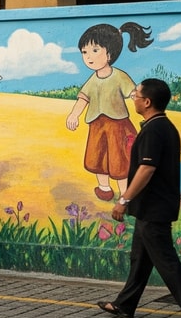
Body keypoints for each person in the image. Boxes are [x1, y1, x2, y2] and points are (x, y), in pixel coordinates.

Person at [97, 78, 181, 318]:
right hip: (150, 207)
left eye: (136, 94)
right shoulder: (160, 126)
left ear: (147, 102)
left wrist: (124, 199)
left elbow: (146, 169)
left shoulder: (155, 130)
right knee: (140, 259)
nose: (133, 98)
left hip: (154, 208)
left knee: (166, 262)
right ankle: (125, 305)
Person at [64, 23, 149, 201]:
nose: (88, 57)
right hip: (97, 125)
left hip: (118, 126)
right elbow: (83, 99)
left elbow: (133, 95)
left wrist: (146, 110)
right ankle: (104, 187)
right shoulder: (92, 80)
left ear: (109, 54)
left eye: (94, 50)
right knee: (98, 156)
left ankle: (125, 192)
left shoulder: (119, 76)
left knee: (120, 160)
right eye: (84, 52)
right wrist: (74, 115)